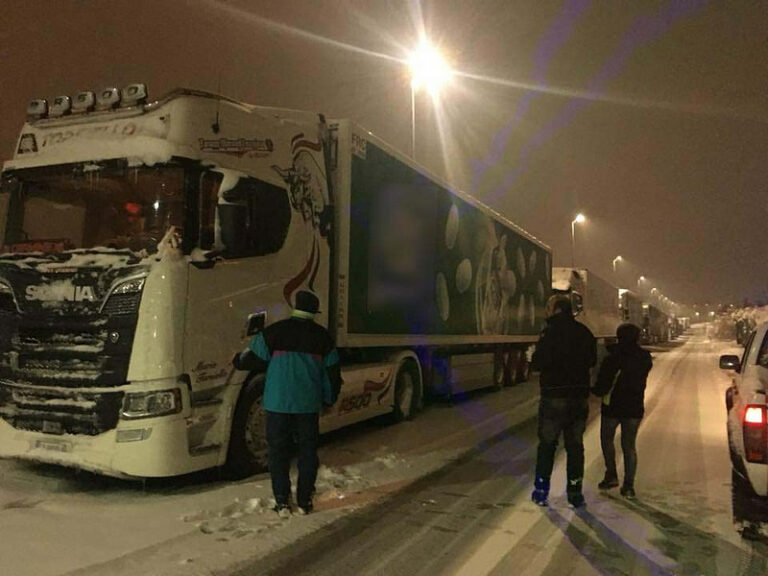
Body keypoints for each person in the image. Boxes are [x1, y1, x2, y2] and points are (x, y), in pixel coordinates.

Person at [232, 290, 341, 517]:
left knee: (278, 453)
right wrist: (329, 399)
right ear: (314, 312)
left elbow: (247, 360)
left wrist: (236, 360)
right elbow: (331, 375)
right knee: (307, 453)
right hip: (307, 406)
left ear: (294, 307)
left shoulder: (274, 332)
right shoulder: (323, 338)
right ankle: (304, 502)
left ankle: (282, 501)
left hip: (277, 404)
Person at [530, 294, 597, 508]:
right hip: (578, 397)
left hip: (553, 397)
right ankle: (575, 493)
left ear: (556, 309)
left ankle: (541, 491)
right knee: (575, 446)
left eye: (549, 307)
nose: (546, 310)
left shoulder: (548, 333)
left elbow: (539, 364)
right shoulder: (584, 333)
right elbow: (592, 360)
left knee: (547, 445)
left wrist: (532, 357)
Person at [591, 323, 652, 499]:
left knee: (607, 439)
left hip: (613, 406)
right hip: (634, 407)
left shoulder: (612, 358)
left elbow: (603, 384)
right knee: (629, 446)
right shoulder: (644, 358)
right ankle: (628, 486)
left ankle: (611, 474)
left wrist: (594, 391)